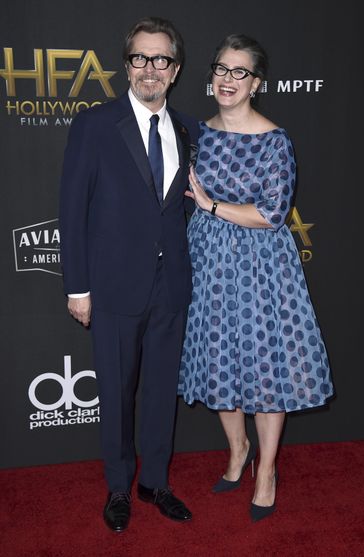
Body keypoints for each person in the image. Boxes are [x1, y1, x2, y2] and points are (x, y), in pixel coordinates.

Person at [178, 34, 333, 522]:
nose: (228, 79)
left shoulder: (273, 140)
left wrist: (212, 206)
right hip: (208, 262)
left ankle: (266, 471)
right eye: (222, 69)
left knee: (267, 370)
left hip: (262, 268)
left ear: (256, 83)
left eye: (239, 72)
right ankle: (237, 450)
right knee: (219, 357)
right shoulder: (197, 133)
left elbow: (272, 212)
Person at [59, 17, 199, 532]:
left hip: (171, 286)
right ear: (127, 64)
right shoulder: (96, 124)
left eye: (161, 59)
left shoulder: (185, 128)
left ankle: (154, 482)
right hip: (113, 284)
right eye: (140, 58)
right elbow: (72, 209)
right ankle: (119, 487)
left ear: (175, 69)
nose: (150, 69)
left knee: (161, 391)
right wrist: (78, 286)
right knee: (117, 395)